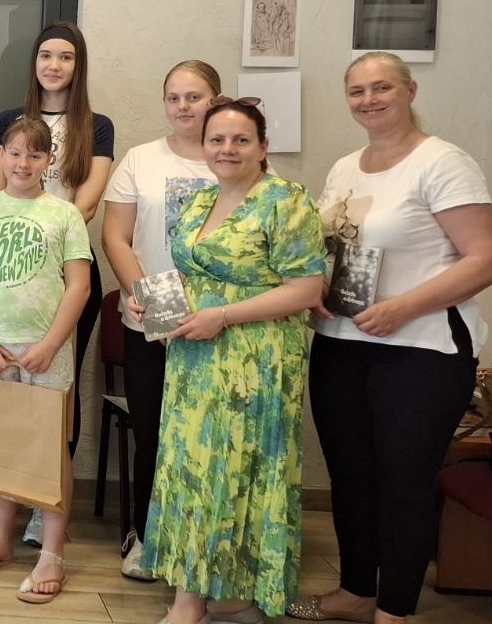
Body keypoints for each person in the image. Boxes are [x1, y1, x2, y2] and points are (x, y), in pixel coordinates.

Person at [287, 53, 492, 624]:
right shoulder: (345, 168)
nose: (369, 100)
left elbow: (488, 258)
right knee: (350, 475)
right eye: (357, 91)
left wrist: (404, 307)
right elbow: (337, 249)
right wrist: (316, 287)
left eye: (381, 87)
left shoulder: (442, 163)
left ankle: (395, 610)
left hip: (421, 349)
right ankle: (357, 590)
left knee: (404, 482)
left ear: (409, 91)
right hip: (341, 342)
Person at [141, 97, 326, 624]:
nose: (227, 149)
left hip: (255, 360)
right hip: (194, 358)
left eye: (241, 140)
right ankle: (219, 590)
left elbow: (306, 289)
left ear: (263, 146)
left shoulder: (285, 200)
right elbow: (190, 274)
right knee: (191, 469)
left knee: (235, 469)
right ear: (203, 146)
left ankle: (198, 600)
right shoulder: (200, 199)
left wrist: (222, 316)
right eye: (217, 139)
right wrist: (152, 304)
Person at [0, 21, 113, 542]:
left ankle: (43, 504)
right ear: (33, 63)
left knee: (55, 398)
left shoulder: (96, 125)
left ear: (79, 66)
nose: (54, 65)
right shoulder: (8, 122)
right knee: (2, 395)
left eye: (66, 57)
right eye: (46, 56)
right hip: (6, 268)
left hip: (65, 269)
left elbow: (87, 203)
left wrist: (48, 242)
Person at [0, 117, 91, 603]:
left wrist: (50, 343)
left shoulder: (65, 215)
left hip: (46, 349)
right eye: (14, 153)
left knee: (49, 444)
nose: (23, 163)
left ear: (48, 160)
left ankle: (52, 552)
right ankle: (0, 540)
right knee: (1, 441)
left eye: (34, 154)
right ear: (1, 156)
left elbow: (79, 285)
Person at [99, 60, 220, 581]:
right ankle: (149, 538)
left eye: (194, 96)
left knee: (208, 439)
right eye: (174, 97)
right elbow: (116, 236)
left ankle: (202, 546)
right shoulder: (141, 159)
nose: (183, 106)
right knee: (154, 434)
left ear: (216, 100)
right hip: (150, 319)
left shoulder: (234, 156)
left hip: (219, 324)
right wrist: (143, 297)